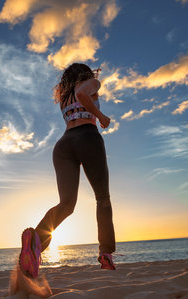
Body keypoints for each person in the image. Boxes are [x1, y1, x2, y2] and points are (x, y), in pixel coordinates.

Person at [19, 63, 116, 278]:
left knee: (66, 205)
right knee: (103, 198)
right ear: (87, 74)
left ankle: (35, 242)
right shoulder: (91, 84)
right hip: (87, 137)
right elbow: (83, 93)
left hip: (63, 145)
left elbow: (76, 95)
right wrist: (101, 116)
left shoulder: (64, 95)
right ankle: (106, 253)